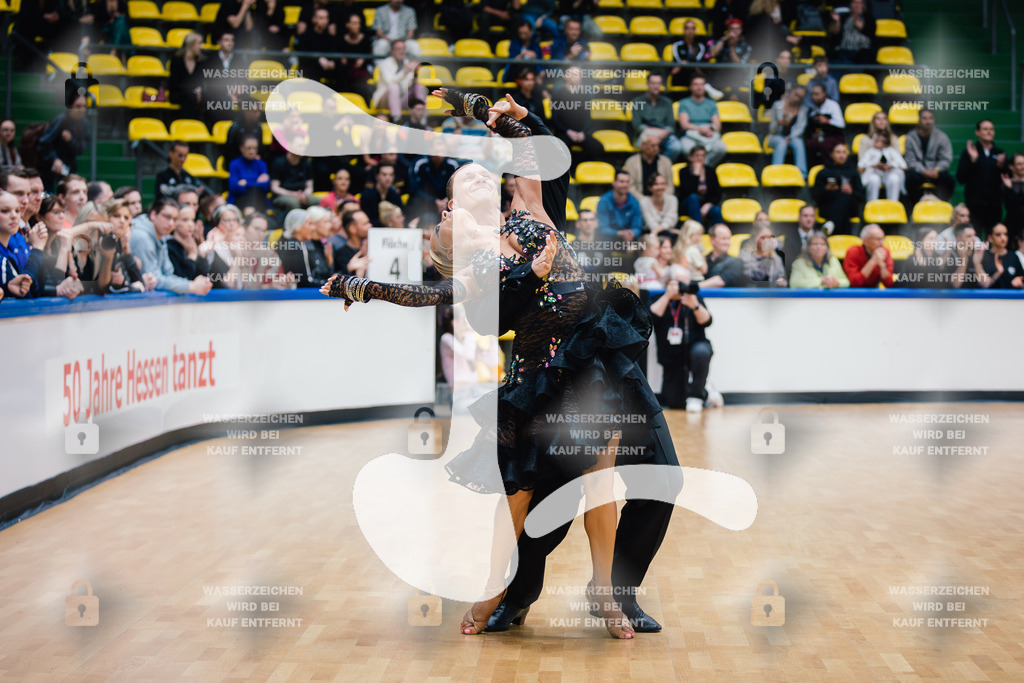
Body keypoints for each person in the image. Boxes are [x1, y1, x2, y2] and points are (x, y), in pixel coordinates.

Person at [323, 89, 681, 637]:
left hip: (595, 362)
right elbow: (435, 297)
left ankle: (610, 596)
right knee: (520, 504)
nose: (481, 177)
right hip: (539, 378)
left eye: (482, 175)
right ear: (452, 209)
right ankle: (495, 596)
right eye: (467, 180)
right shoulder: (478, 255)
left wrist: (497, 110)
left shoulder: (530, 207)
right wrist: (362, 285)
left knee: (610, 483)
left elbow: (539, 150)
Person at [650, 278, 712, 412]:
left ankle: (696, 396)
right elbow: (650, 319)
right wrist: (667, 296)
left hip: (694, 348)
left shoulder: (694, 298)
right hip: (672, 356)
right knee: (675, 402)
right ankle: (706, 392)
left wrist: (694, 306)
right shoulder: (658, 298)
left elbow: (707, 321)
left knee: (701, 351)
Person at [130, 197, 213, 294]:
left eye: (174, 219)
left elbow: (168, 274)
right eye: (167, 217)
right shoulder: (142, 237)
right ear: (153, 215)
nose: (171, 223)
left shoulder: (161, 238)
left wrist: (193, 284)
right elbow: (155, 280)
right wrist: (191, 286)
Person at [956, 119, 1006, 236]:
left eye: (991, 129)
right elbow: (960, 178)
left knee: (993, 239)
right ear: (977, 132)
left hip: (994, 205)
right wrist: (972, 161)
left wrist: (1002, 167)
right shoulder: (969, 152)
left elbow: (1008, 177)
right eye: (985, 129)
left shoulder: (1000, 153)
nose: (989, 132)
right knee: (974, 238)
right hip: (974, 205)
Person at [36, 93, 90, 189]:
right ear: (70, 106)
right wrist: (54, 159)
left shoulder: (84, 123)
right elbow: (43, 143)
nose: (82, 110)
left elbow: (81, 149)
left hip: (69, 167)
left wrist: (70, 140)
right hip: (50, 168)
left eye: (84, 106)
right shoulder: (61, 119)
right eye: (78, 106)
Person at [549, 65, 601, 162]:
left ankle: (578, 165)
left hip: (580, 133)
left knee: (597, 147)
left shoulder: (585, 95)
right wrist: (567, 131)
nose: (576, 76)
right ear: (565, 76)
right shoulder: (558, 94)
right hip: (564, 132)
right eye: (573, 74)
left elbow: (587, 118)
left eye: (578, 74)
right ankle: (570, 170)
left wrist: (583, 132)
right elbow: (555, 119)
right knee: (561, 150)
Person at [370, 40, 428, 123]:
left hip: (402, 99)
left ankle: (422, 119)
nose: (401, 51)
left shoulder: (408, 63)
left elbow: (410, 85)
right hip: (384, 100)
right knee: (394, 87)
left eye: (403, 48)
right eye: (398, 49)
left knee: (420, 86)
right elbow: (390, 82)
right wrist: (405, 71)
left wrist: (415, 74)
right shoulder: (384, 63)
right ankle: (397, 119)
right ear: (392, 51)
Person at [904, 109, 955, 203]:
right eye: (925, 118)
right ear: (919, 120)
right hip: (919, 172)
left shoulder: (942, 137)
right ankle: (917, 206)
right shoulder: (910, 137)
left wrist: (937, 169)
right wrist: (924, 171)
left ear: (934, 120)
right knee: (910, 179)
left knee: (949, 180)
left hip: (936, 171)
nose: (928, 121)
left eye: (930, 118)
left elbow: (946, 158)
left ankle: (941, 205)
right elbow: (910, 160)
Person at [813, 143, 863, 235]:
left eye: (844, 152)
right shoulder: (823, 173)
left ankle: (831, 224)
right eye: (838, 152)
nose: (841, 155)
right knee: (842, 203)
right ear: (832, 154)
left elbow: (861, 195)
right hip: (828, 207)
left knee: (846, 197)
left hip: (850, 207)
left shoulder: (853, 173)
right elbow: (815, 196)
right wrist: (826, 189)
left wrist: (851, 192)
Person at [0, 191, 43, 299]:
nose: (14, 216)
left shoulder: (8, 257)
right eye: (5, 211)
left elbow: (33, 293)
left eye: (17, 210)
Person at [630, 73, 682, 162]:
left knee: (676, 147)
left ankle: (660, 165)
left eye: (658, 83)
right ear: (647, 84)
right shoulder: (637, 101)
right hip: (646, 132)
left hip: (664, 133)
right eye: (653, 83)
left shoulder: (667, 102)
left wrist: (664, 133)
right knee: (644, 146)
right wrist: (653, 133)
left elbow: (671, 125)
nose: (656, 86)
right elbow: (637, 125)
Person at [677, 76, 727, 166]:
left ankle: (703, 169)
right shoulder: (684, 103)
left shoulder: (712, 103)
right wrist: (700, 129)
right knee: (686, 148)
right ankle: (702, 171)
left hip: (709, 134)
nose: (699, 87)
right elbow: (684, 125)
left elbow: (717, 125)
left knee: (721, 148)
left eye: (701, 84)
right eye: (696, 84)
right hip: (691, 135)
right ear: (691, 87)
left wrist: (710, 129)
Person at [677, 145, 723, 227]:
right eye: (697, 155)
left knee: (716, 210)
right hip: (687, 205)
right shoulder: (684, 171)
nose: (700, 158)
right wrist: (696, 175)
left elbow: (718, 193)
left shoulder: (710, 171)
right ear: (690, 157)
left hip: (705, 204)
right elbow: (687, 192)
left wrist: (708, 204)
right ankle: (699, 229)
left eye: (703, 155)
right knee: (693, 197)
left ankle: (717, 233)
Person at [768, 86, 808, 178]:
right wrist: (779, 123)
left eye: (801, 97)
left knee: (798, 142)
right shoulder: (777, 105)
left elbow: (800, 128)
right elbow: (771, 129)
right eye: (796, 95)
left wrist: (789, 137)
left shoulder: (803, 108)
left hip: (793, 137)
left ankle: (802, 175)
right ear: (791, 92)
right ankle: (776, 174)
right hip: (776, 136)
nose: (797, 98)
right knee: (781, 143)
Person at [270, 135, 317, 212]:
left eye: (304, 146)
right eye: (300, 146)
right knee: (294, 203)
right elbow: (275, 188)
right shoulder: (279, 163)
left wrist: (304, 195)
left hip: (302, 194)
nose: (303, 148)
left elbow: (309, 187)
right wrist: (294, 194)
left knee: (318, 201)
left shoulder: (306, 163)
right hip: (283, 195)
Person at [624, 130, 675, 200]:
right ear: (643, 146)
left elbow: (670, 186)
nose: (656, 148)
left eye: (658, 145)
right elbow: (630, 187)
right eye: (653, 146)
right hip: (639, 200)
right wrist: (644, 201)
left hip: (661, 201)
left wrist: (661, 199)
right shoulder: (631, 162)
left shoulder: (666, 162)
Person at [858, 131, 906, 203]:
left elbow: (903, 165)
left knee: (894, 179)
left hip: (889, 173)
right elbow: (860, 166)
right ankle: (871, 205)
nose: (876, 143)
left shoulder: (891, 151)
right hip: (874, 173)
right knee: (873, 180)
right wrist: (874, 165)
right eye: (876, 141)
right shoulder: (870, 151)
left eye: (880, 141)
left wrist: (890, 165)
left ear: (886, 143)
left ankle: (893, 204)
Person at [804, 83, 846, 168]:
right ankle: (812, 170)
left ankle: (830, 169)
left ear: (825, 94)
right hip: (820, 135)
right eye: (813, 94)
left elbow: (841, 124)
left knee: (825, 145)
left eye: (817, 94)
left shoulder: (833, 105)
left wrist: (827, 121)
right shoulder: (813, 108)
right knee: (810, 144)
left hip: (835, 135)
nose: (814, 97)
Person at [297, 7, 341, 86]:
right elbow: (303, 59)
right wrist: (318, 60)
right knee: (312, 70)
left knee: (342, 69)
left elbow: (335, 55)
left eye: (326, 18)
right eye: (321, 18)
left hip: (327, 69)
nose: (324, 21)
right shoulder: (305, 37)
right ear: (314, 19)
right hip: (311, 70)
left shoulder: (331, 38)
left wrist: (332, 63)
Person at [596, 170, 643, 242]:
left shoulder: (634, 202)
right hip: (608, 241)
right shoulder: (604, 201)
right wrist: (619, 233)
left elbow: (637, 227)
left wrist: (632, 233)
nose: (625, 185)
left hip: (628, 240)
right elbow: (602, 228)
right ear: (614, 183)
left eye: (627, 182)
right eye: (621, 182)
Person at [228, 135, 270, 213]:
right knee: (254, 190)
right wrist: (257, 182)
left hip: (259, 199)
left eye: (255, 148)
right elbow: (234, 187)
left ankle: (249, 215)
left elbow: (266, 186)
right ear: (242, 148)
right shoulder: (234, 164)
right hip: (239, 199)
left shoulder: (261, 164)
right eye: (249, 148)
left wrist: (246, 183)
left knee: (255, 191)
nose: (252, 151)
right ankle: (250, 216)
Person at [338, 12, 375, 100]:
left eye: (358, 23)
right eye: (354, 23)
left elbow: (370, 58)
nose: (356, 26)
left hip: (361, 73)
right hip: (345, 73)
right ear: (348, 25)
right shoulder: (340, 40)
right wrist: (341, 59)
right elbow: (338, 58)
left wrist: (364, 59)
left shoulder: (365, 40)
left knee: (365, 87)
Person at [843, 224, 893, 288]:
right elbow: (855, 282)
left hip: (874, 292)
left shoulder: (885, 251)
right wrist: (873, 261)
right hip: (854, 294)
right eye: (878, 239)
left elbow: (889, 283)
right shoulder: (853, 251)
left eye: (883, 239)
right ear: (866, 241)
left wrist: (881, 265)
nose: (881, 243)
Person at [167, 32, 205, 118]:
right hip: (178, 93)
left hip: (195, 94)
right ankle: (188, 125)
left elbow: (201, 82)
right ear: (191, 45)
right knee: (190, 97)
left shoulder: (200, 62)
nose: (201, 46)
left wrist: (199, 91)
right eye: (199, 43)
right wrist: (192, 91)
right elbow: (174, 84)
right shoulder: (176, 60)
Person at [827, 0, 876, 65]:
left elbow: (866, 29)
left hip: (862, 53)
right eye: (854, 2)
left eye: (859, 3)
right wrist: (837, 21)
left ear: (863, 5)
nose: (857, 5)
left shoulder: (869, 18)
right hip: (844, 51)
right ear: (850, 4)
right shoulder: (844, 18)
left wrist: (855, 17)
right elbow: (834, 32)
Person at [740, 221, 787, 287]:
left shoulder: (775, 256)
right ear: (754, 237)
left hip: (772, 295)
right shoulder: (745, 255)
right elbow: (758, 277)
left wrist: (781, 281)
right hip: (751, 295)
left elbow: (782, 277)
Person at [979, 223, 1024, 289]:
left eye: (1005, 234)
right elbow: (981, 284)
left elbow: (1021, 278)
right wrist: (998, 273)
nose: (1003, 238)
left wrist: (1020, 283)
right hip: (987, 298)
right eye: (998, 235)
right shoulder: (983, 257)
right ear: (990, 237)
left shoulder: (1013, 257)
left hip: (1010, 298)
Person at [360, 161, 405, 226]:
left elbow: (401, 217)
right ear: (377, 176)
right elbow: (365, 220)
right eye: (384, 174)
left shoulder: (396, 195)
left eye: (391, 175)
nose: (388, 178)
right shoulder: (367, 195)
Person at [701, 223, 742, 288]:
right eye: (723, 238)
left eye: (728, 239)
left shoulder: (736, 262)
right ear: (712, 240)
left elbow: (721, 281)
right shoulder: (703, 259)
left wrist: (696, 286)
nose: (727, 242)